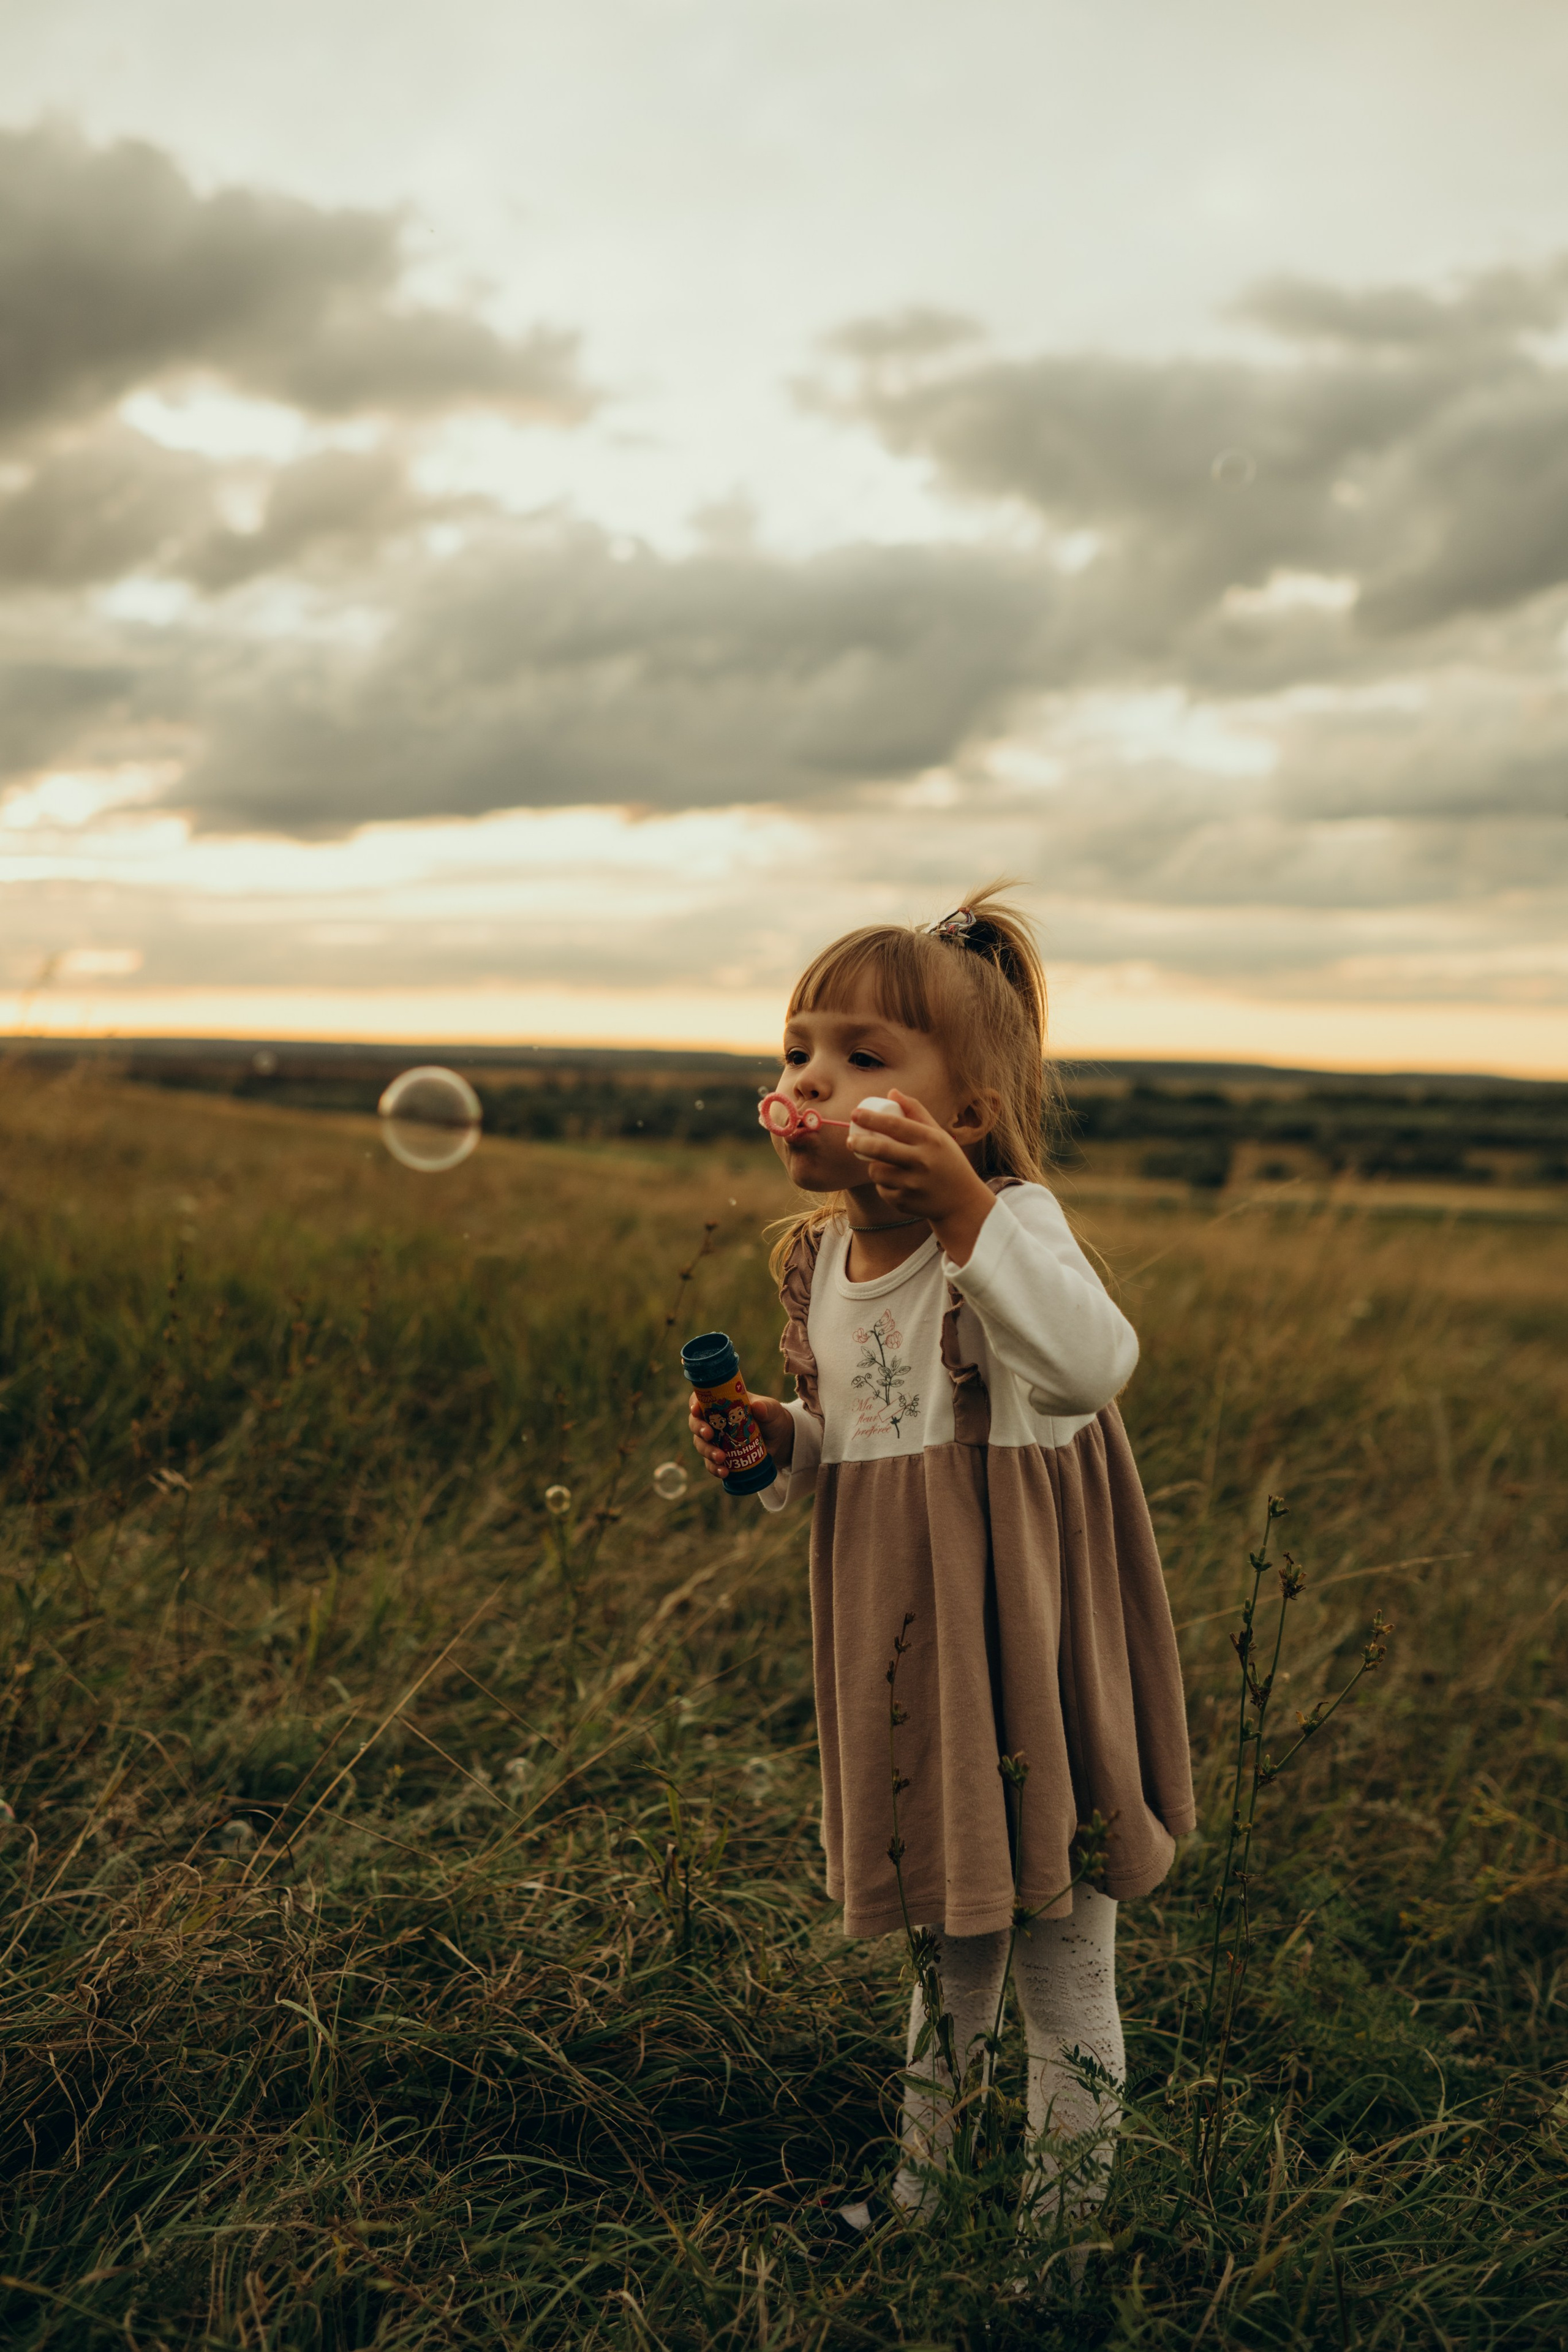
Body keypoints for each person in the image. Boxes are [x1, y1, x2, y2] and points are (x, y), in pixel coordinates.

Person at [688, 883, 1195, 2256]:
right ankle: (916, 2199)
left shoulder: (1007, 1221)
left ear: (965, 1113)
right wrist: (771, 1443)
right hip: (906, 1630)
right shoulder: (819, 1262)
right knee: (945, 1936)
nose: (809, 1081)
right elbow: (853, 1451)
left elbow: (1090, 1368)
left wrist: (972, 1213)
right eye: (797, 1050)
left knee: (1055, 1958)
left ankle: (1054, 2249)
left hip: (1026, 1631)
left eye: (861, 1057)